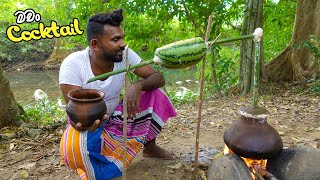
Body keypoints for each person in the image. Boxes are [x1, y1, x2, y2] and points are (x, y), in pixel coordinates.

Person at [59, 9, 177, 180]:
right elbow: (76, 110)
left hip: (117, 118)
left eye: (122, 37)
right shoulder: (73, 64)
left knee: (156, 94)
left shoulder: (124, 54)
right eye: (116, 39)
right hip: (90, 123)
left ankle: (150, 147)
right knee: (72, 150)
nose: (123, 43)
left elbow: (158, 77)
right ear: (95, 44)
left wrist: (138, 85)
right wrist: (85, 124)